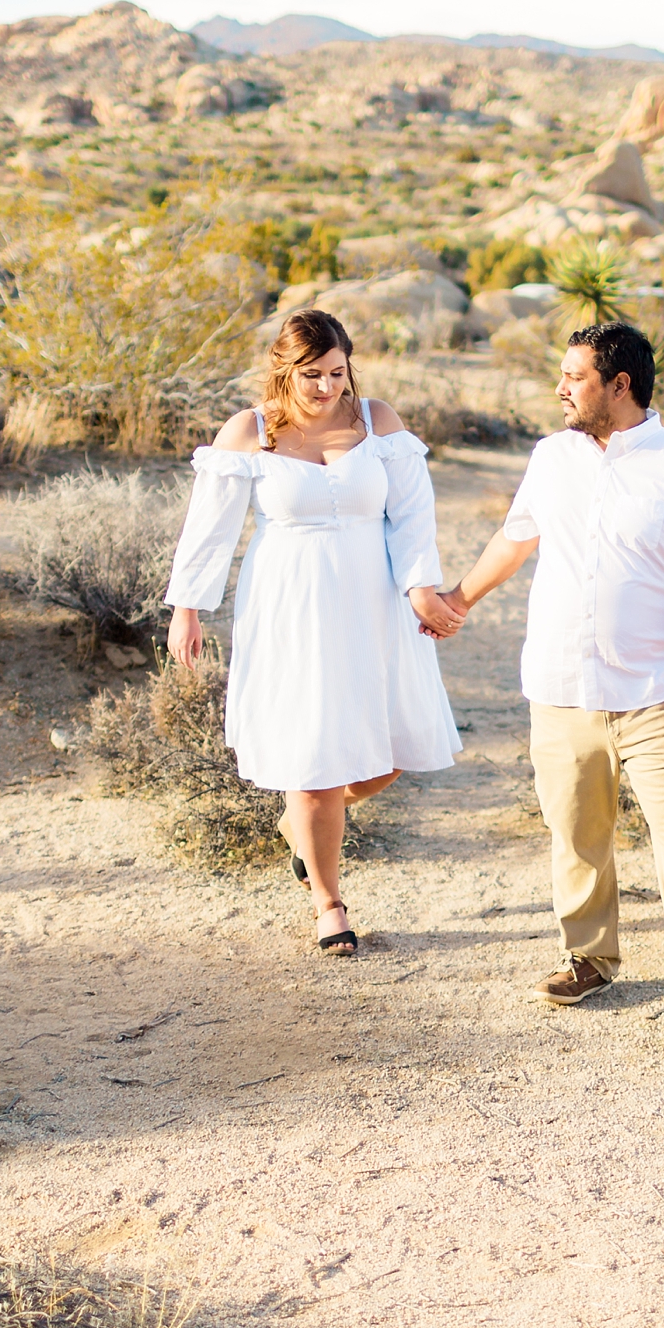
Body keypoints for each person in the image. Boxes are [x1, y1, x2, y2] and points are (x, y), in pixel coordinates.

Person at [435, 321, 664, 1030]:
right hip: (560, 687)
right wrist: (460, 598)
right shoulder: (552, 457)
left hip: (658, 695)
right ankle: (587, 958)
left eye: (573, 376)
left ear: (619, 385)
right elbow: (515, 537)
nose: (559, 388)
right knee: (576, 832)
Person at [165, 309, 466, 955]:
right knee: (314, 763)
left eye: (337, 372)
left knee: (388, 755)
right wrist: (186, 607)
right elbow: (210, 527)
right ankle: (329, 903)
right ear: (283, 368)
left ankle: (301, 822)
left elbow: (413, 513)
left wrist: (422, 585)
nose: (327, 387)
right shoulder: (250, 431)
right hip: (290, 604)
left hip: (375, 600)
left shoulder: (378, 421)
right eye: (312, 375)